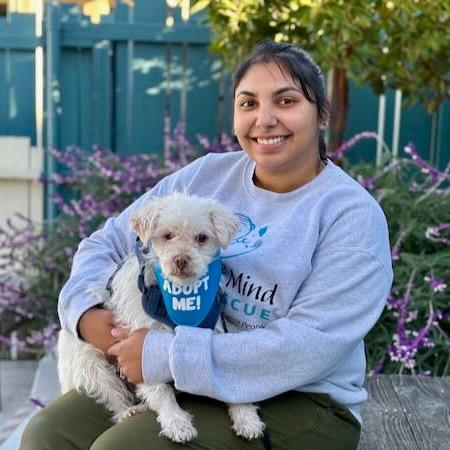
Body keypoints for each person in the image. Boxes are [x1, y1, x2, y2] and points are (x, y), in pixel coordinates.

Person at [20, 40, 393, 449]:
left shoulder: (351, 217)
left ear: (321, 113)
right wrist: (86, 314)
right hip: (184, 373)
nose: (264, 119)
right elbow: (105, 243)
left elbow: (305, 348)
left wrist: (166, 354)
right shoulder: (205, 177)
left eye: (286, 101)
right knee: (47, 435)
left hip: (303, 398)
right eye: (248, 103)